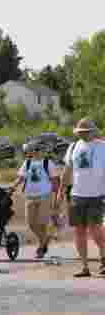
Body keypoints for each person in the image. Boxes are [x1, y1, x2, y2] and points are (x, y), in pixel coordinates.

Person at [57, 118, 105, 277]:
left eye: (86, 132)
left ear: (93, 131)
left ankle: (103, 259)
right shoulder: (73, 147)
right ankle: (85, 267)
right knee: (79, 232)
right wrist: (60, 192)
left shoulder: (102, 147)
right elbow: (67, 171)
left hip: (97, 195)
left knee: (96, 231)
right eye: (80, 132)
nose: (83, 135)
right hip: (77, 195)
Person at [9, 142, 59, 259]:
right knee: (31, 223)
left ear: (42, 151)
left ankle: (41, 247)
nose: (35, 152)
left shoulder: (48, 163)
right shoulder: (27, 163)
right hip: (29, 196)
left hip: (44, 196)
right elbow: (20, 178)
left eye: (38, 149)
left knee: (42, 223)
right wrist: (13, 187)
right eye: (33, 150)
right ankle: (45, 240)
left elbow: (55, 181)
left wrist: (56, 197)